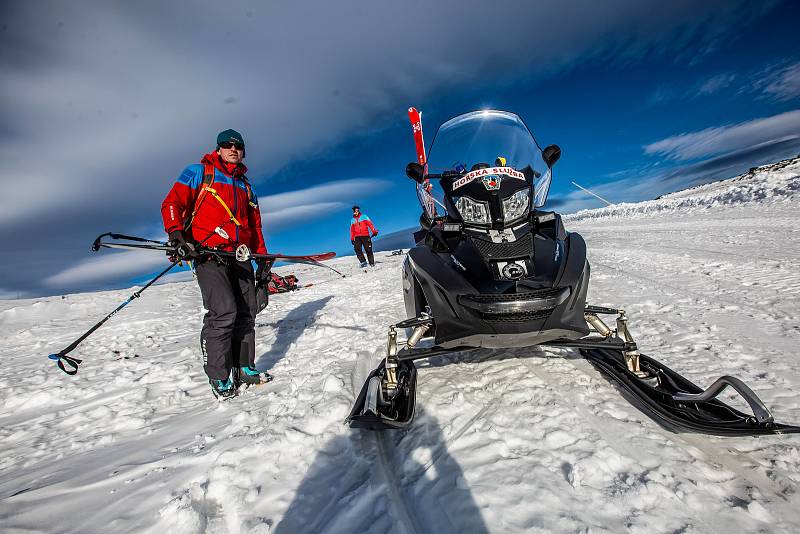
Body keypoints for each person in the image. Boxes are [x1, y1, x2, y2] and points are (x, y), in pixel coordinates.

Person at [161, 129, 273, 399]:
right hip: (207, 254)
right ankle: (219, 375)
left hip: (241, 255)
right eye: (227, 145)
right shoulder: (200, 172)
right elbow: (172, 203)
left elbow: (255, 227)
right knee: (223, 313)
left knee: (248, 311)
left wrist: (263, 257)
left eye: (238, 146)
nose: (233, 149)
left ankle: (244, 366)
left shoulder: (247, 187)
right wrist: (177, 236)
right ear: (219, 148)